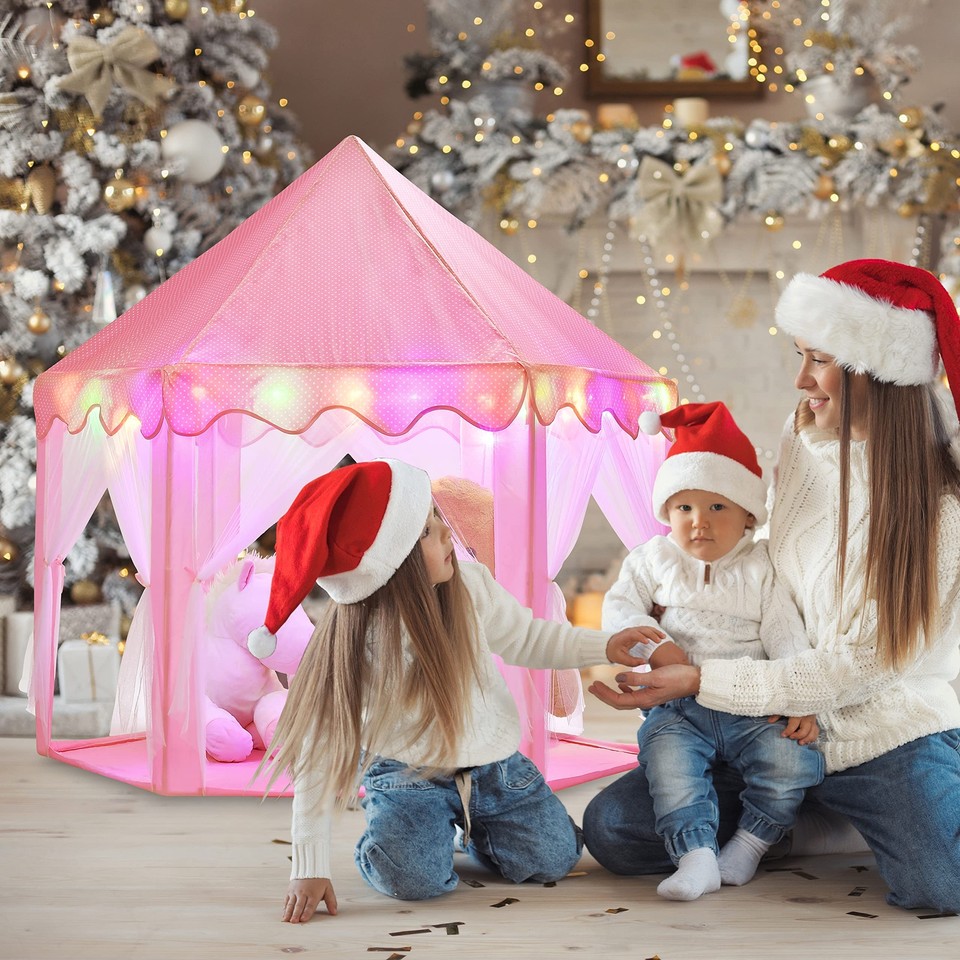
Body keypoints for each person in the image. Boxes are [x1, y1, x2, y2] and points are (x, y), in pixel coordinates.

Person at [583, 259, 960, 914]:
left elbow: (861, 665)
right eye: (800, 355)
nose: (801, 379)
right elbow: (767, 571)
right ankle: (792, 814)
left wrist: (703, 680)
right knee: (614, 828)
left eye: (820, 360)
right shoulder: (802, 437)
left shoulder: (941, 508)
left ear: (878, 371)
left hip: (882, 730)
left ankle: (825, 817)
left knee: (942, 882)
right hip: (772, 723)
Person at [249, 458, 651, 923]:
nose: (447, 533)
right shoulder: (357, 643)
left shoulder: (471, 586)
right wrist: (309, 866)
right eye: (425, 530)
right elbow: (317, 757)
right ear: (388, 562)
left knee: (554, 858)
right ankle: (396, 835)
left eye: (437, 517)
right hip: (406, 775)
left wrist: (605, 645)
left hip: (494, 767)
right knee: (413, 882)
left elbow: (529, 638)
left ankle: (466, 831)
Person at [603, 401, 823, 900]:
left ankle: (751, 843)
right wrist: (656, 644)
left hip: (753, 706)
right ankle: (696, 856)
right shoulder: (652, 559)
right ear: (666, 512)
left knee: (790, 761)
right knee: (669, 766)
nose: (699, 521)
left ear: (748, 515)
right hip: (679, 709)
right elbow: (620, 609)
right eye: (684, 508)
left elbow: (785, 633)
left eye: (717, 507)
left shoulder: (762, 566)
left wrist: (800, 697)